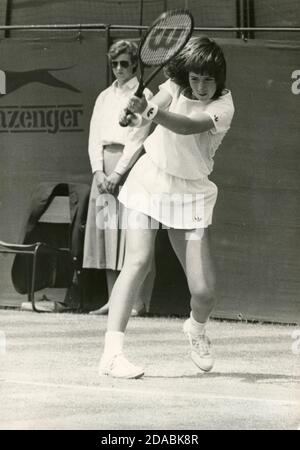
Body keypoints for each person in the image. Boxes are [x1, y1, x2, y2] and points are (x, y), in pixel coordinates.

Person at [99, 36, 235, 378]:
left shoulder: (224, 107)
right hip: (150, 182)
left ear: (220, 80)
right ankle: (112, 354)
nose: (201, 86)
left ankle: (195, 328)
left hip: (190, 198)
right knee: (138, 260)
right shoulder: (175, 85)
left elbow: (187, 126)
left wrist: (146, 110)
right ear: (186, 75)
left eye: (209, 80)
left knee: (203, 292)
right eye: (195, 78)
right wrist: (133, 115)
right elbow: (148, 116)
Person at [83, 40, 155, 316]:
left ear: (135, 63)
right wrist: (99, 171)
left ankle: (136, 302)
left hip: (130, 168)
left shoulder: (144, 95)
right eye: (114, 63)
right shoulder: (104, 96)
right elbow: (94, 137)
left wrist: (117, 173)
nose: (119, 68)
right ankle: (114, 301)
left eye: (124, 63)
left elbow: (138, 139)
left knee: (132, 236)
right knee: (108, 235)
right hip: (103, 171)